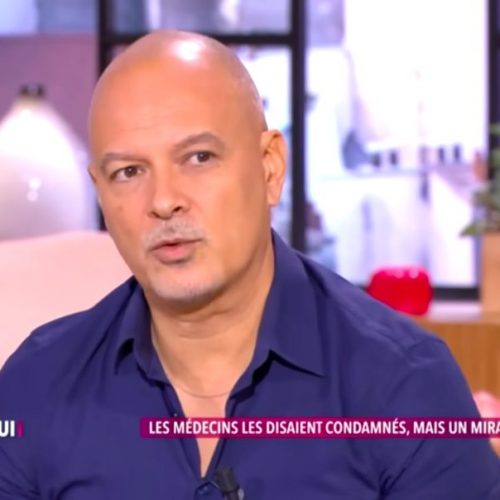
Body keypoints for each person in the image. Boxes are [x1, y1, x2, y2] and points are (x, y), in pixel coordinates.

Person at [0, 31, 498, 499]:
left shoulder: (406, 386)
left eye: (198, 158)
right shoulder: (35, 386)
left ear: (270, 169)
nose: (164, 201)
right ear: (101, 194)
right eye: (129, 172)